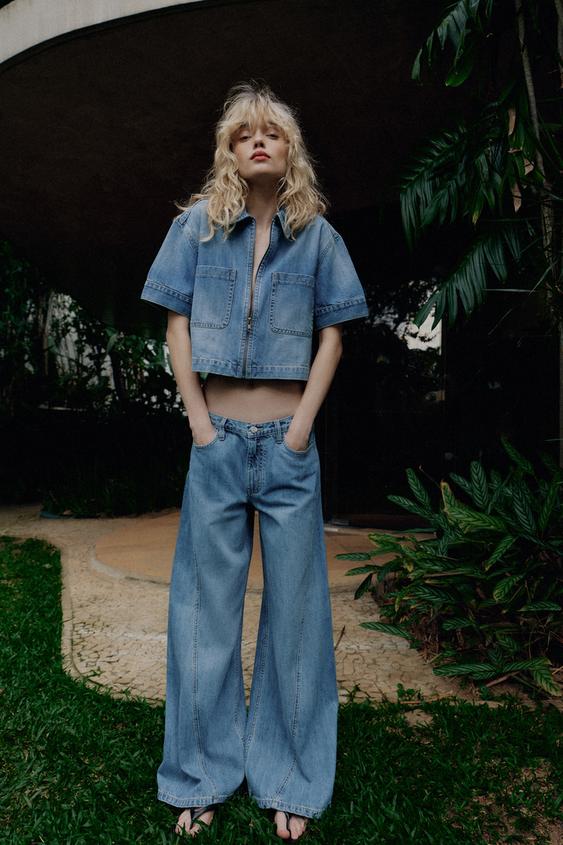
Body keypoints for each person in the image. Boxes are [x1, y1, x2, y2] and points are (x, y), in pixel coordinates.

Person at [140, 80, 369, 840]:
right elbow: (176, 326)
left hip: (287, 449)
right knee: (202, 612)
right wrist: (199, 424)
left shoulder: (318, 238)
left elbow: (333, 336)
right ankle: (199, 776)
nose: (258, 142)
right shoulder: (195, 229)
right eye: (244, 135)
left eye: (270, 132)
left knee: (297, 615)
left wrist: (300, 429)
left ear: (289, 149)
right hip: (217, 443)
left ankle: (291, 781)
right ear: (229, 151)